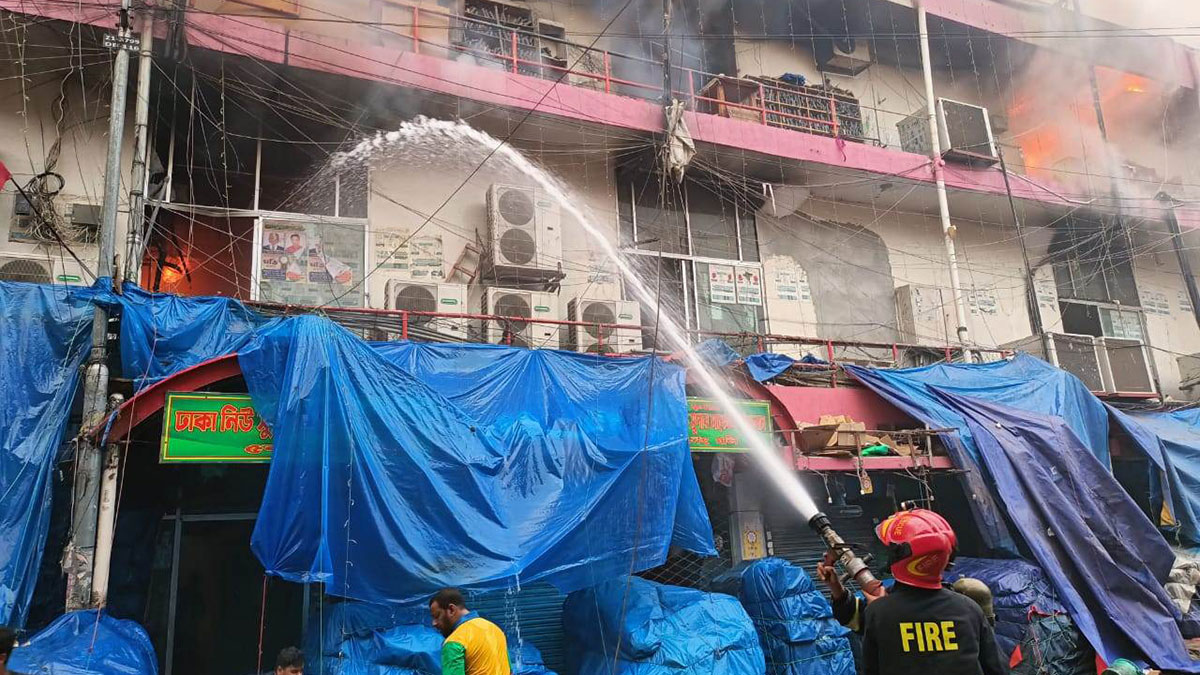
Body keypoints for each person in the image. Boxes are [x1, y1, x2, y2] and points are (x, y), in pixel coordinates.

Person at [816, 509, 1006, 675]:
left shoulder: (880, 612)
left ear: (902, 558)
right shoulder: (969, 609)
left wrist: (883, 611)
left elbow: (869, 662)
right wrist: (837, 589)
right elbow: (996, 668)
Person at [429, 588, 510, 675]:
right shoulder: (495, 629)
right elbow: (509, 671)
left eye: (437, 616)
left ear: (451, 610)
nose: (434, 623)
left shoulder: (454, 642)